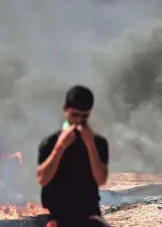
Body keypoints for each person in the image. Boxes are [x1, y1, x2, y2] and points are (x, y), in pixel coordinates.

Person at [37, 85, 110, 227]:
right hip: (58, 218)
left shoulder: (99, 143)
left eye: (84, 117)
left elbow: (101, 179)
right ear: (65, 109)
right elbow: (42, 178)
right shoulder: (50, 142)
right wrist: (60, 147)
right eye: (74, 115)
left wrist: (90, 146)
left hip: (89, 216)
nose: (78, 121)